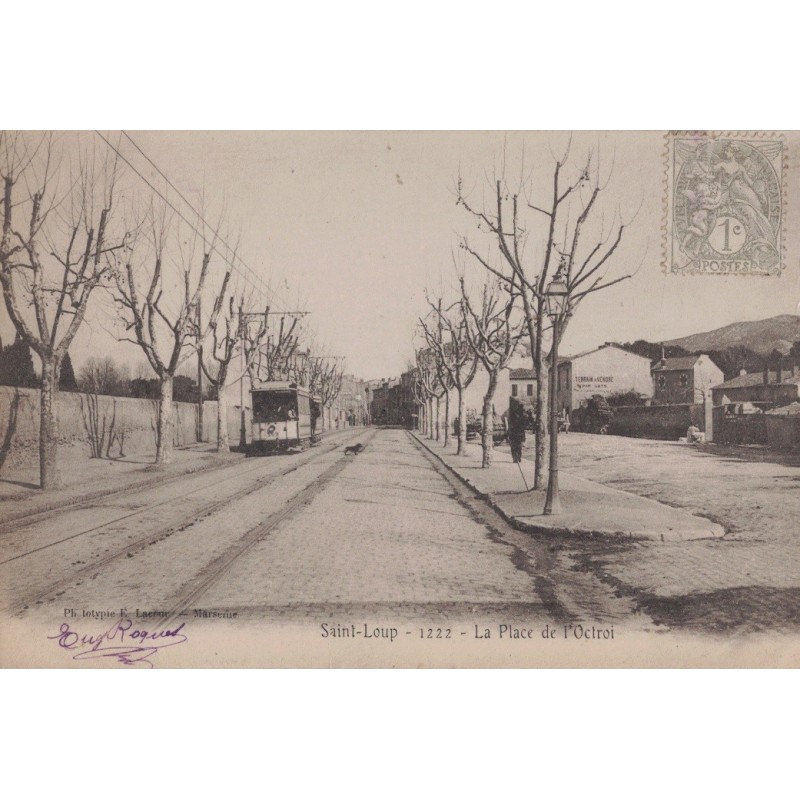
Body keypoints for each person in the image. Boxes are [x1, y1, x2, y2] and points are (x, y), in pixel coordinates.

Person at [507, 398, 526, 463]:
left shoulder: (513, 413)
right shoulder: (523, 414)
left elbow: (511, 423)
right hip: (519, 432)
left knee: (514, 446)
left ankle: (516, 458)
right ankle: (518, 457)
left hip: (515, 432)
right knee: (518, 446)